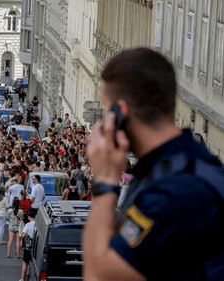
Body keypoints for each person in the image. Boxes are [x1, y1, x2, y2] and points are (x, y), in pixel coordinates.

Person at [83, 48, 224, 280]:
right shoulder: (191, 163)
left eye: (108, 112)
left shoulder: (171, 191)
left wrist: (105, 180)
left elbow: (98, 275)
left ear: (121, 113)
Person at [20, 210, 36, 281]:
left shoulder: (28, 225)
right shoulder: (38, 224)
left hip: (28, 244)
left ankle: (23, 278)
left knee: (25, 262)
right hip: (36, 244)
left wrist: (21, 242)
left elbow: (23, 234)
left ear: (29, 217)